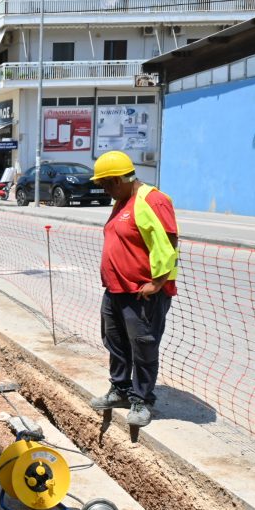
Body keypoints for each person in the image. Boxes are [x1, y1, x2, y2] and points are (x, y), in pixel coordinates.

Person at [88, 150, 179, 428]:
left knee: (143, 346)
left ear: (117, 180)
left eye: (105, 184)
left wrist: (158, 282)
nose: (104, 190)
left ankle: (142, 398)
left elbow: (169, 243)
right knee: (115, 342)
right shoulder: (122, 200)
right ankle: (120, 390)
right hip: (115, 290)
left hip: (141, 293)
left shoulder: (152, 200)